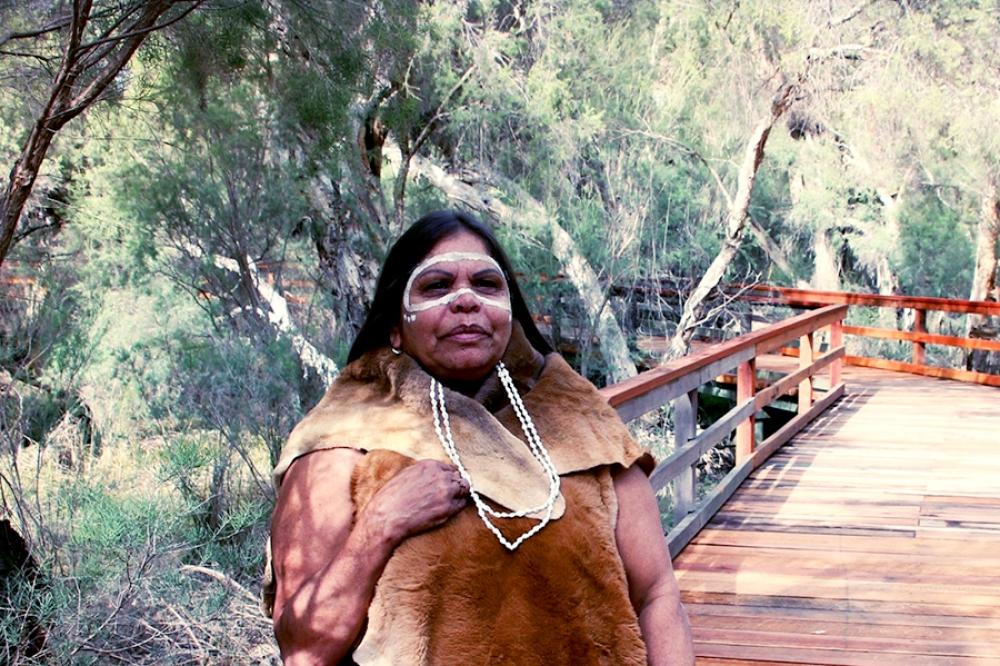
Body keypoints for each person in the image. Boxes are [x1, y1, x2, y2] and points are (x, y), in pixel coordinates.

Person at [263, 210, 694, 665]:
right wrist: (381, 523)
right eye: (437, 286)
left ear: (509, 313)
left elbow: (657, 597)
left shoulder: (583, 424)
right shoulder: (340, 444)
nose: (465, 300)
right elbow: (303, 647)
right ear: (394, 325)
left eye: (486, 284)